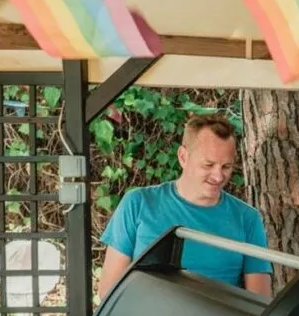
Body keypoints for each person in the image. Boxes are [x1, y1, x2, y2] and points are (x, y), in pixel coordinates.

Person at [97, 114, 272, 301]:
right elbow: (108, 292)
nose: (218, 176)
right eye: (208, 165)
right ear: (183, 157)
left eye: (226, 167)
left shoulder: (247, 219)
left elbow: (259, 304)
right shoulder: (138, 203)